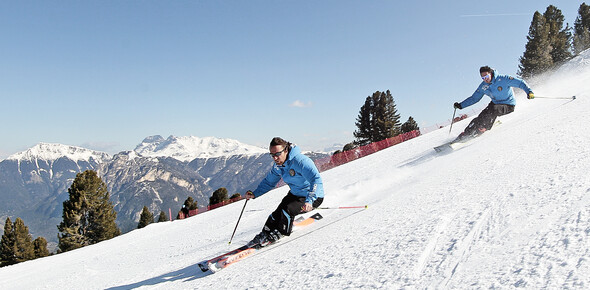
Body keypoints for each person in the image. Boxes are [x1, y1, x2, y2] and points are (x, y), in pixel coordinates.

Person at [245, 137, 324, 247]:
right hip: (295, 194)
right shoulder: (279, 166)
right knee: (276, 214)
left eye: (277, 154)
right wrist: (255, 193)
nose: (275, 158)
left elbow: (316, 180)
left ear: (286, 150)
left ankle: (281, 232)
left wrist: (310, 201)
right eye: (272, 155)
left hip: (310, 196)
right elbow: (269, 182)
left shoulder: (300, 161)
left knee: (287, 211)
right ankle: (265, 233)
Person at [453, 66, 534, 142]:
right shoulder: (483, 86)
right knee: (481, 116)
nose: (485, 79)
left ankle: (483, 128)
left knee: (493, 110)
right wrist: (461, 105)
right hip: (494, 103)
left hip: (508, 105)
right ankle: (466, 133)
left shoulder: (503, 79)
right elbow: (474, 98)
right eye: (483, 78)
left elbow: (520, 83)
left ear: (490, 73)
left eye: (486, 77)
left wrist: (529, 92)